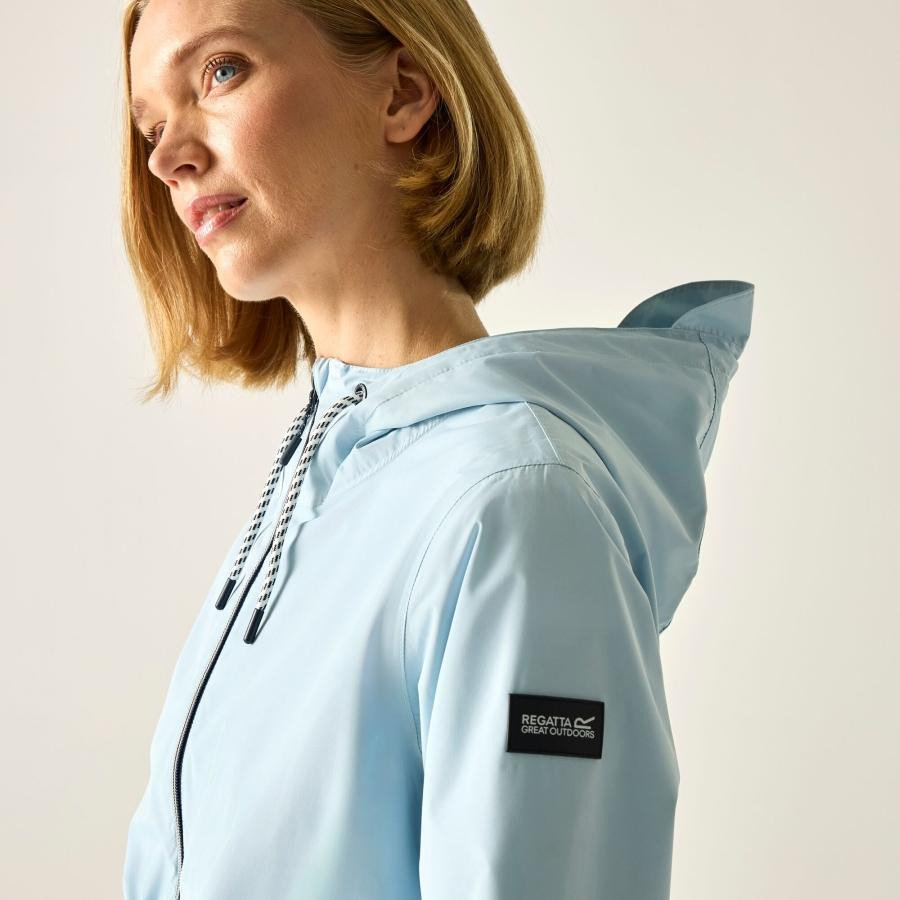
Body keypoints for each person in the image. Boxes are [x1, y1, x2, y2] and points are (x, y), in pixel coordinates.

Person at [120, 1, 754, 898]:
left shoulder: (515, 504)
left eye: (221, 72)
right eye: (151, 125)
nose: (165, 157)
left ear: (405, 92)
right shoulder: (319, 489)